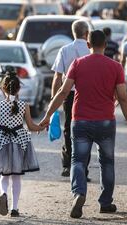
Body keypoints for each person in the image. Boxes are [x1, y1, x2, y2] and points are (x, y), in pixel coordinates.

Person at [40, 30, 127, 219]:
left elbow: (62, 92)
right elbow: (124, 98)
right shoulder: (116, 67)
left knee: (78, 160)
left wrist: (47, 115)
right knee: (107, 162)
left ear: (87, 44)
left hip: (80, 121)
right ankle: (106, 202)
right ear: (106, 44)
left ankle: (79, 193)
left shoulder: (77, 64)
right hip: (106, 122)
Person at [0, 69, 43, 217]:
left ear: (3, 88)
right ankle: (14, 208)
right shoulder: (24, 105)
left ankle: (3, 194)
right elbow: (31, 126)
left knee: (4, 175)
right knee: (16, 177)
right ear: (19, 89)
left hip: (1, 142)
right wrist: (42, 127)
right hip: (18, 143)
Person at [51, 20, 91, 180]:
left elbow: (57, 77)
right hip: (88, 95)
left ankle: (67, 165)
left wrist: (55, 99)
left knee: (68, 128)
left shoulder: (64, 50)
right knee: (86, 131)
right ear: (87, 33)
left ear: (73, 32)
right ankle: (83, 168)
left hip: (68, 95)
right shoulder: (91, 49)